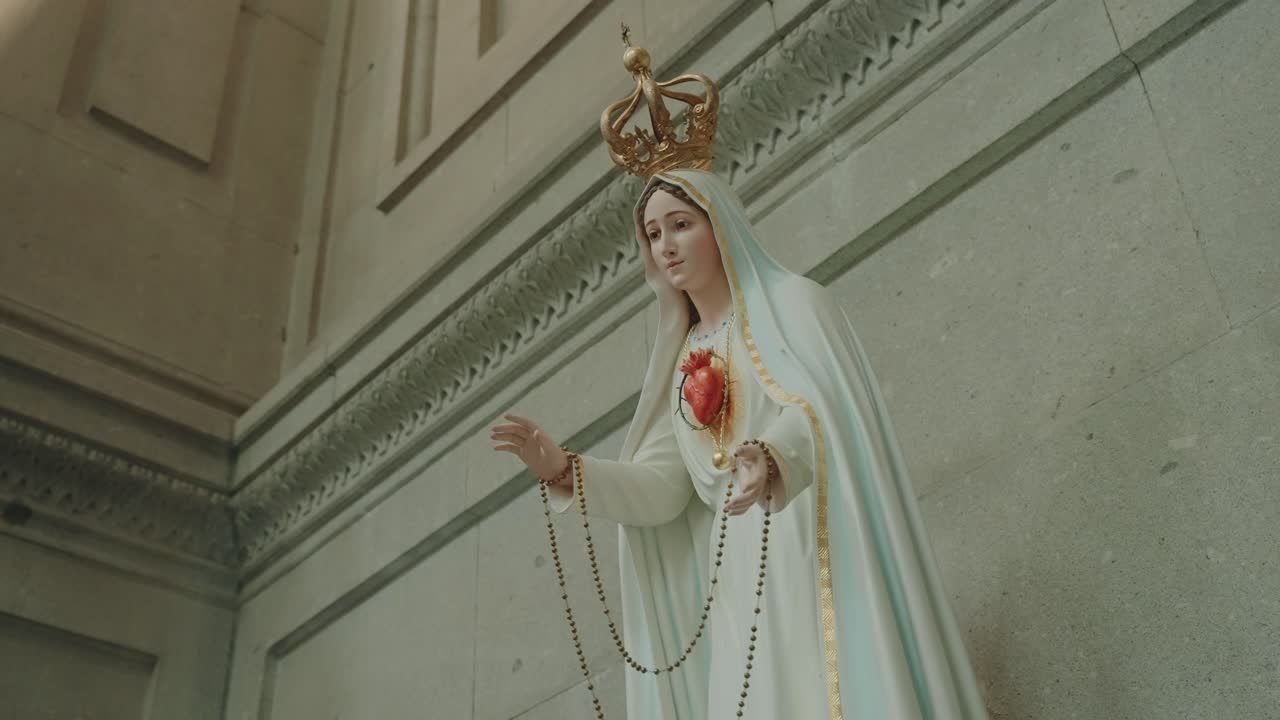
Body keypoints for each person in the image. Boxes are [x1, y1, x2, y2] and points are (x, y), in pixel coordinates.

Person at [491, 36, 988, 720]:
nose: (665, 245)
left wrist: (769, 456)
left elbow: (823, 411)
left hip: (816, 557)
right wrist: (567, 472)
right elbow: (667, 488)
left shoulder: (796, 307)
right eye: (653, 234)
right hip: (739, 593)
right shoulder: (677, 361)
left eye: (680, 224)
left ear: (719, 225)